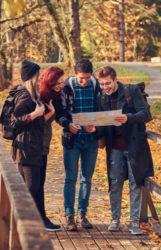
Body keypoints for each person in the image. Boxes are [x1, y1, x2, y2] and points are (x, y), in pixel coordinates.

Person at [96, 66, 154, 235]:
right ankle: (115, 220)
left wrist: (128, 118)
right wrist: (96, 132)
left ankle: (134, 223)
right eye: (102, 84)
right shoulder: (102, 98)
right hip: (114, 148)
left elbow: (146, 114)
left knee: (136, 184)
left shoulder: (131, 91)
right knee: (115, 184)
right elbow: (103, 123)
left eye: (108, 83)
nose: (105, 87)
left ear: (115, 80)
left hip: (134, 146)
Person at [56, 59, 102, 231]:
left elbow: (101, 110)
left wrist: (96, 127)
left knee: (86, 179)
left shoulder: (96, 85)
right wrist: (67, 125)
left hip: (90, 140)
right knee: (70, 178)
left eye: (87, 78)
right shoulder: (66, 87)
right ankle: (69, 216)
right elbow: (59, 112)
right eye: (81, 78)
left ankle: (82, 214)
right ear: (75, 75)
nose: (84, 82)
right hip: (72, 140)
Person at [9, 60, 48, 229]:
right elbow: (14, 122)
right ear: (32, 77)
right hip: (26, 148)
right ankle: (20, 224)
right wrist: (34, 114)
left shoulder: (30, 93)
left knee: (32, 187)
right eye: (38, 76)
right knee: (31, 188)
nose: (40, 80)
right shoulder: (25, 96)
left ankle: (23, 223)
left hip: (31, 147)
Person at [37, 66, 66, 231]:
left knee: (40, 182)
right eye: (58, 82)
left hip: (44, 145)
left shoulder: (54, 95)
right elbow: (36, 124)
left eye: (62, 82)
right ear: (50, 80)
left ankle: (40, 218)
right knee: (36, 184)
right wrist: (52, 111)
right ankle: (40, 219)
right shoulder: (41, 96)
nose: (60, 85)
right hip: (36, 145)